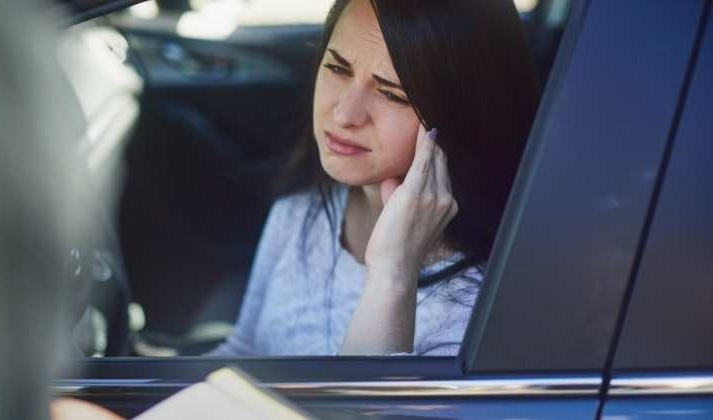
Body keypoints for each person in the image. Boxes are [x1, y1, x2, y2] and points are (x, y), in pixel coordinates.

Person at [211, 0, 539, 356]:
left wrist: (393, 275)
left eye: (392, 93)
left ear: (463, 115)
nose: (344, 113)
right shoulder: (300, 211)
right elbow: (245, 351)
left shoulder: (482, 308)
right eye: (337, 67)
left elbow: (360, 413)